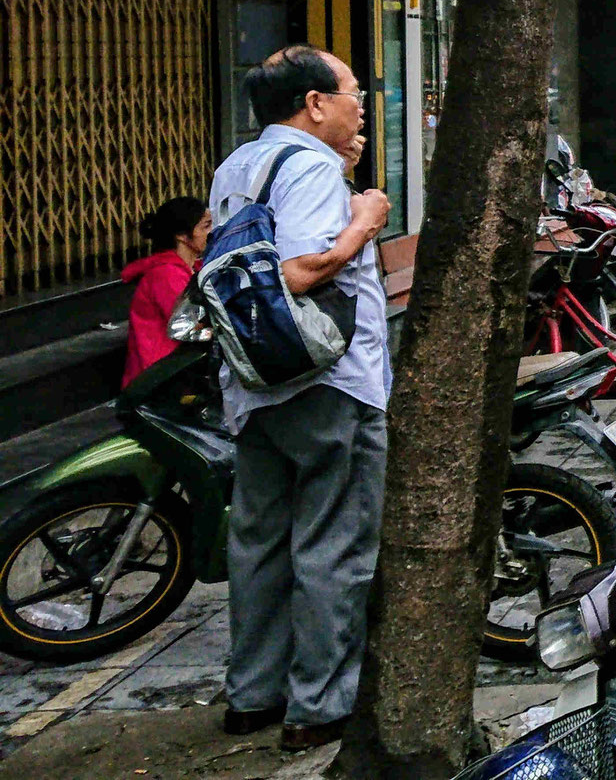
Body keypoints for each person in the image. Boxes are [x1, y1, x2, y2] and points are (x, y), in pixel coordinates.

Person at [211, 45, 391, 753]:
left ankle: (252, 695)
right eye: (352, 94)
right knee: (333, 543)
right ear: (314, 104)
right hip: (326, 384)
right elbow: (299, 268)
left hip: (255, 384)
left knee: (258, 542)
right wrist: (364, 219)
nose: (360, 107)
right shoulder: (314, 168)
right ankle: (319, 705)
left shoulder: (237, 167)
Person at [122, 197, 211, 388]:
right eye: (206, 226)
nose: (212, 232)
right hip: (158, 379)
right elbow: (190, 324)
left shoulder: (192, 269)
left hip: (175, 370)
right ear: (182, 235)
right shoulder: (166, 275)